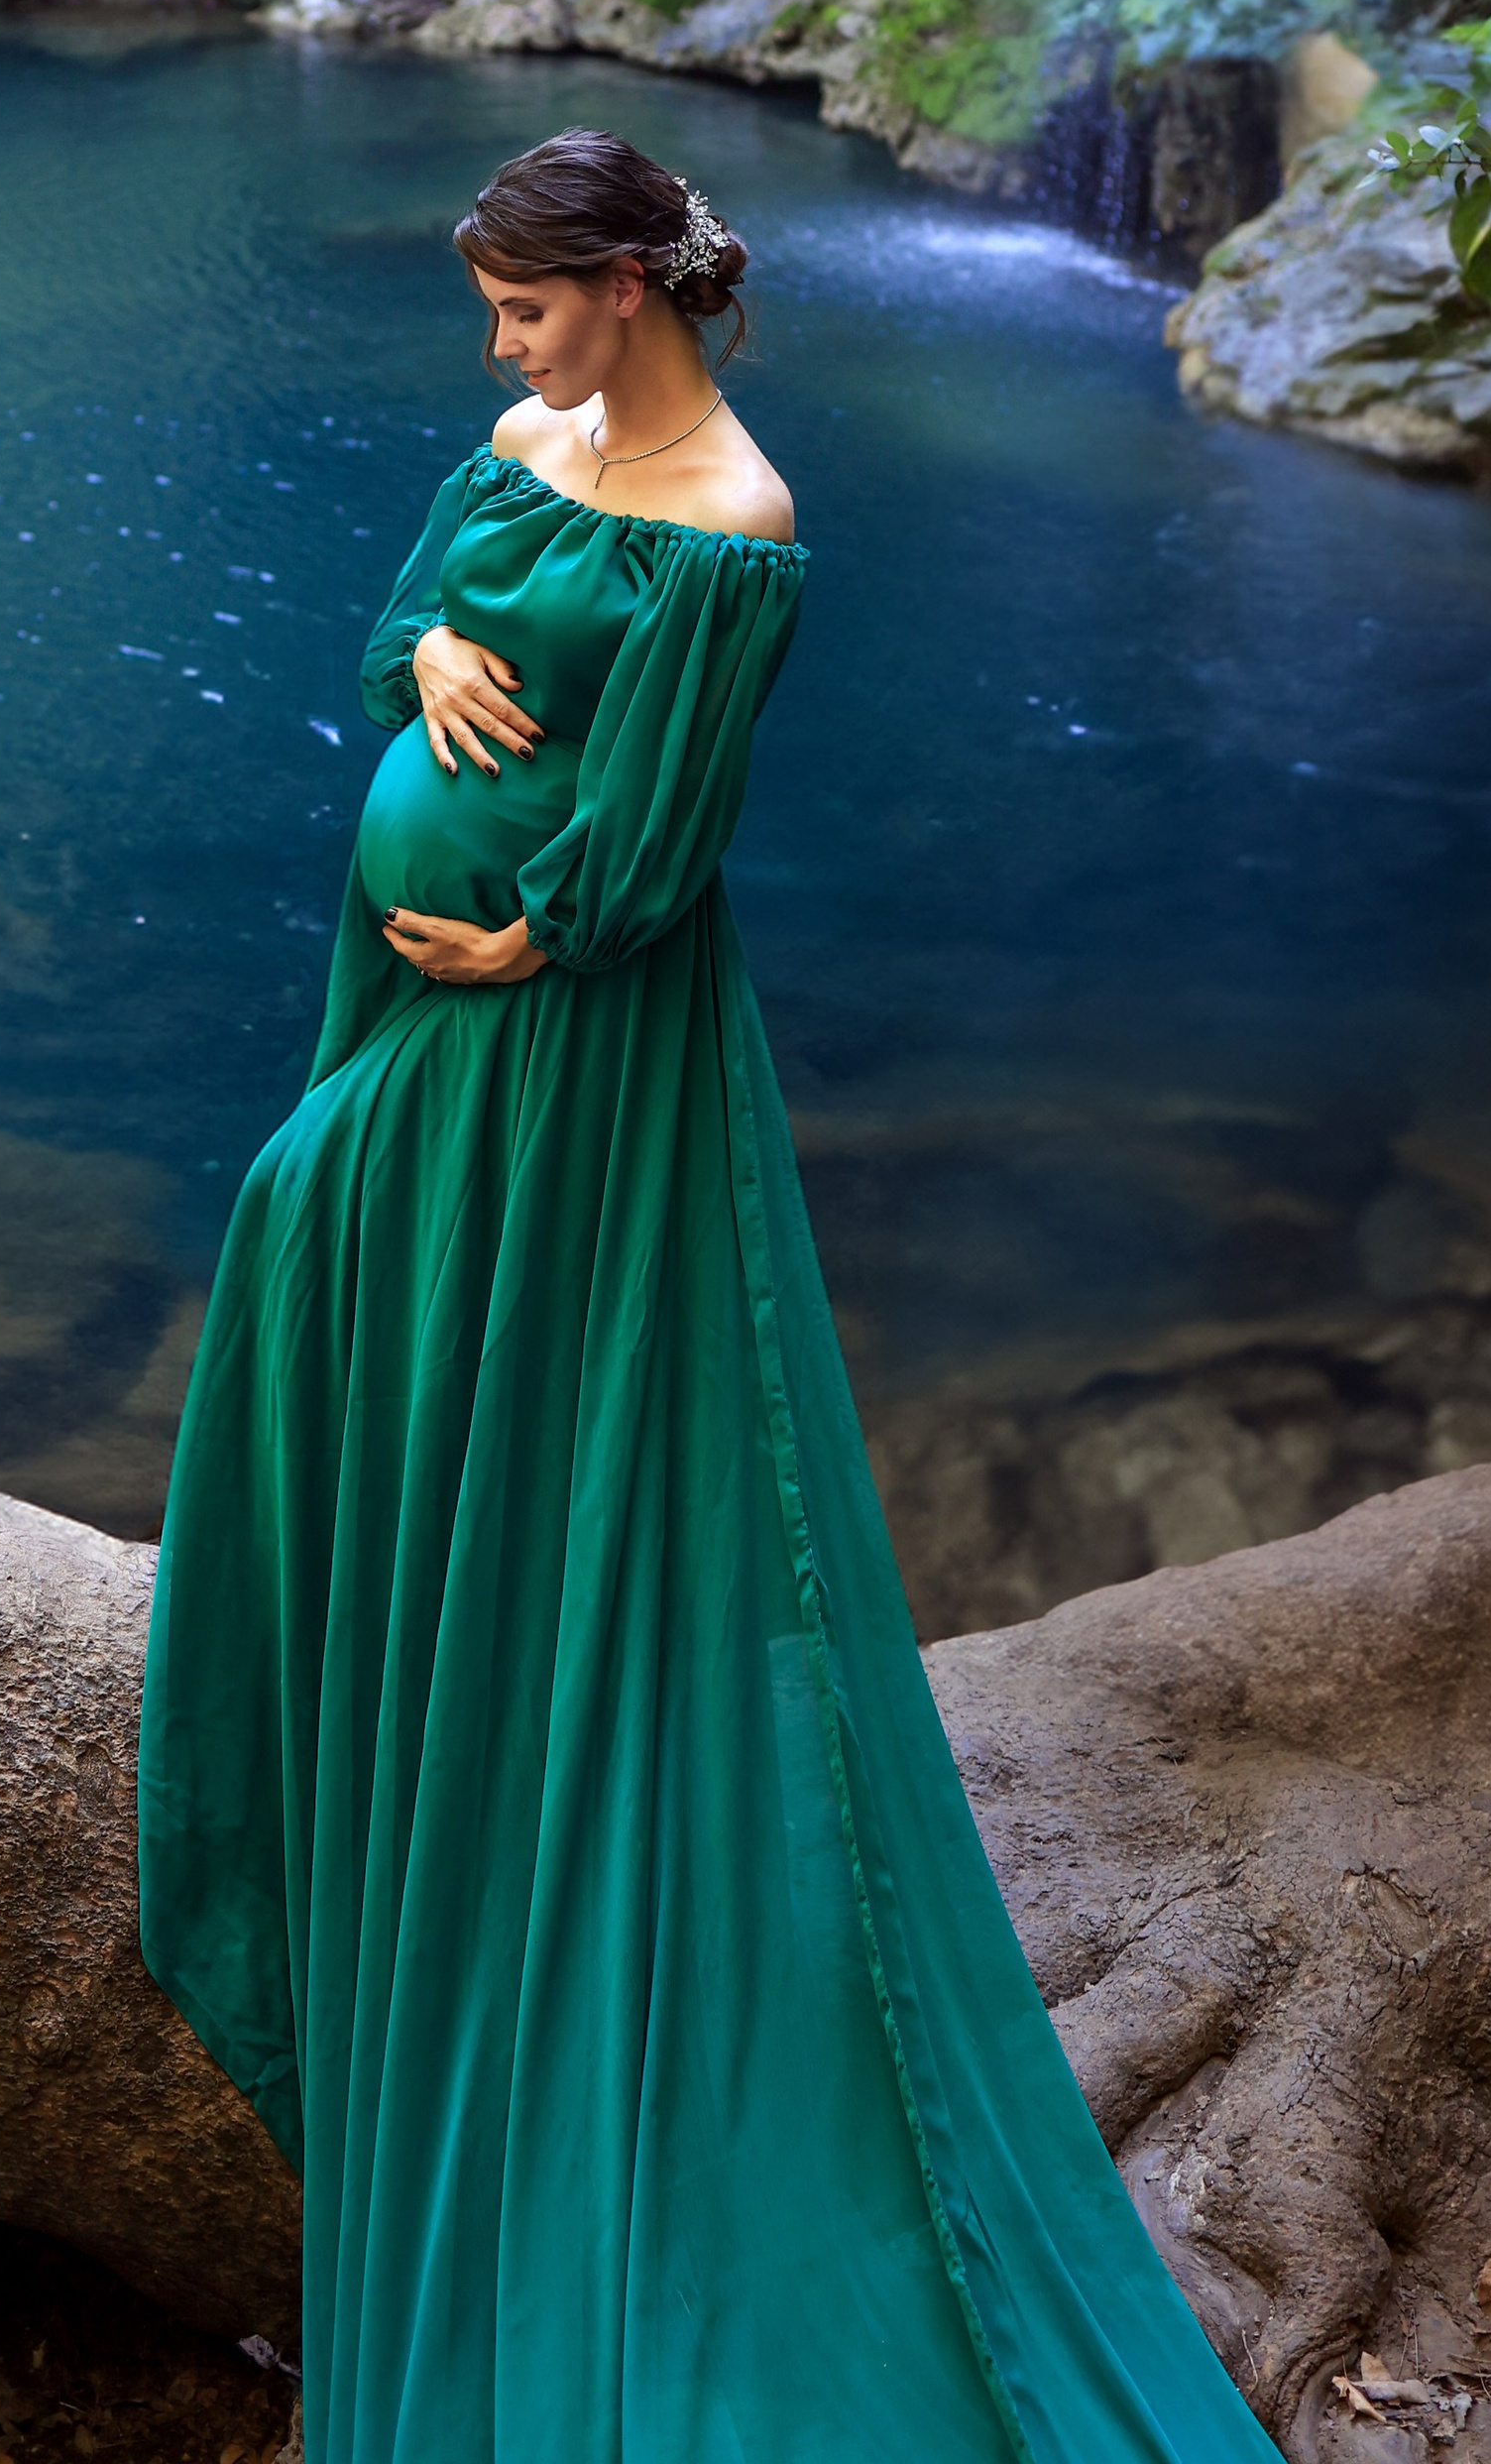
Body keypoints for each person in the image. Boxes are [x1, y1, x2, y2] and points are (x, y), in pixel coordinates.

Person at [140, 127, 1273, 2463]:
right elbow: (387, 636)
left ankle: (511, 1750)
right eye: (490, 312)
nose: (499, 345)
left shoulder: (731, 526)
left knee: (304, 1220)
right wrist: (437, 638)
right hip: (416, 1000)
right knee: (310, 1233)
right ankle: (390, 1672)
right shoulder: (520, 444)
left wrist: (537, 932)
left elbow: (652, 854)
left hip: (554, 1048)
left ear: (629, 290)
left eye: (527, 309)